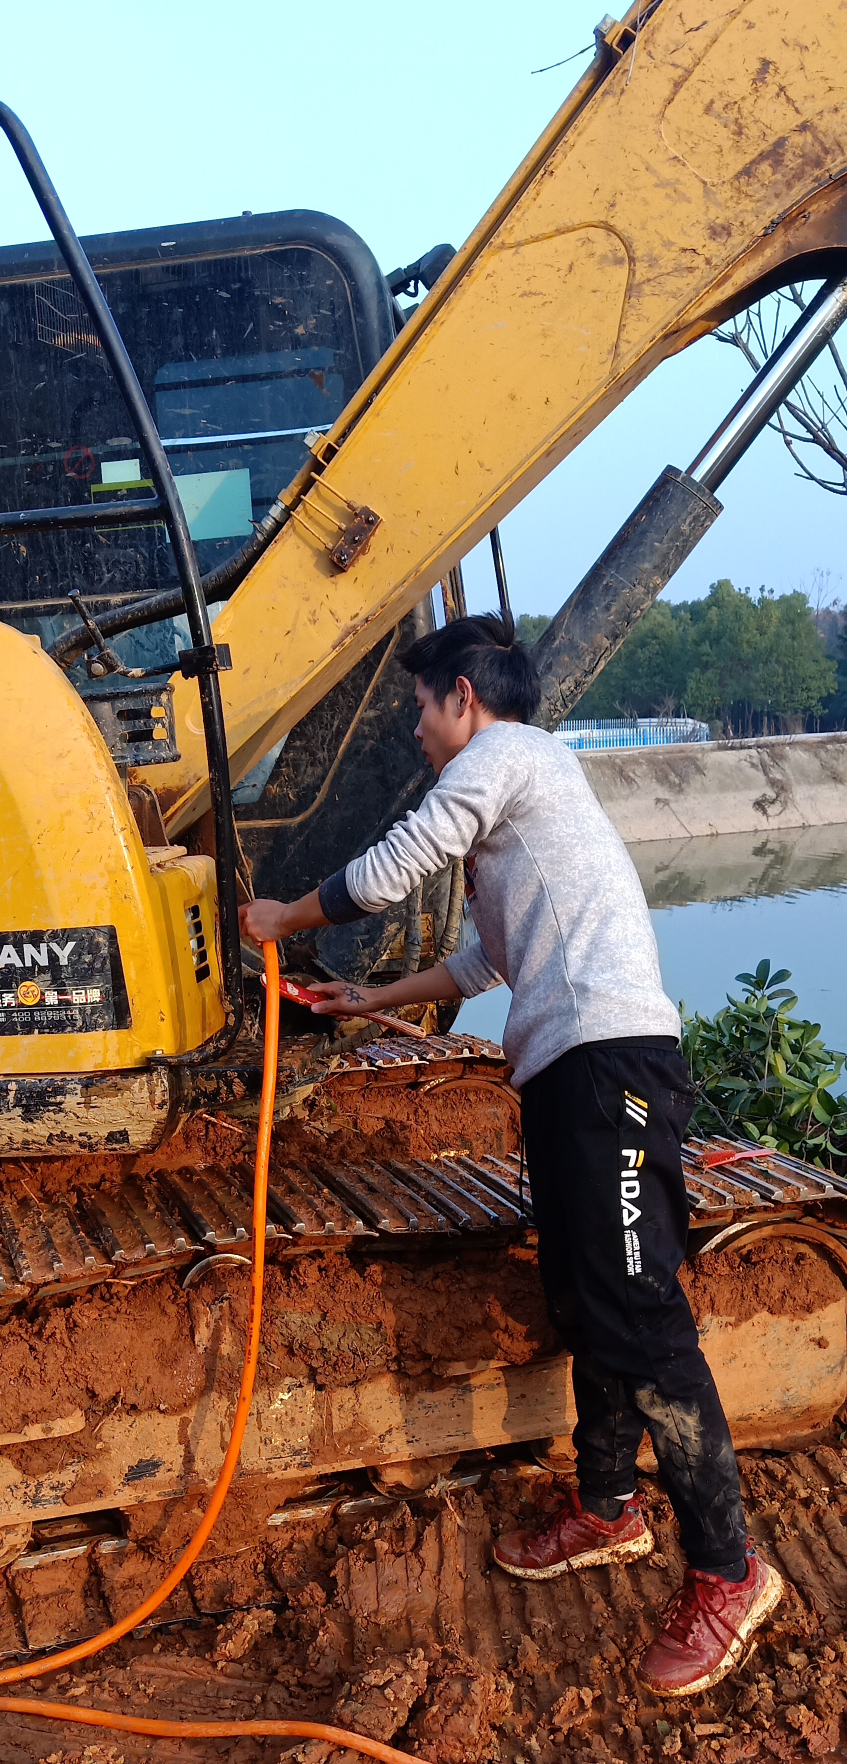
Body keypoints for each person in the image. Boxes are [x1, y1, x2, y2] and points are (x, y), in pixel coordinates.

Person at [239, 611, 782, 1698]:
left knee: (636, 1311)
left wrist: (282, 917)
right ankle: (605, 1505)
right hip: (569, 1072)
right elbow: (488, 956)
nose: (414, 729)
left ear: (464, 700)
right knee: (586, 1302)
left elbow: (401, 860)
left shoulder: (506, 758)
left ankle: (728, 1571)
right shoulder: (524, 806)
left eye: (419, 708)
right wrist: (374, 994)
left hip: (610, 1067)